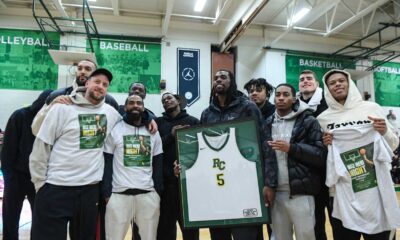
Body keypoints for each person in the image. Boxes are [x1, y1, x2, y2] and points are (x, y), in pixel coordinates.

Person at [29, 68, 121, 240]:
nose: (100, 86)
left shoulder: (111, 113)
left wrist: (149, 119)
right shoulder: (62, 108)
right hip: (55, 188)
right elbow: (41, 147)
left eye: (105, 84)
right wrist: (39, 184)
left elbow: (131, 123)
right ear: (86, 83)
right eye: (96, 81)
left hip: (89, 190)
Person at [317, 69, 400, 240]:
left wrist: (384, 131)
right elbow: (326, 156)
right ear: (327, 89)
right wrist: (326, 145)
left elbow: (393, 145)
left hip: (376, 190)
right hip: (344, 192)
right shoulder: (323, 119)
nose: (338, 84)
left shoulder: (371, 108)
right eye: (332, 83)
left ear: (349, 83)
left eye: (341, 80)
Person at [200, 69, 269, 240]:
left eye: (223, 77)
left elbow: (264, 144)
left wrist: (269, 182)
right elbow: (202, 150)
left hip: (245, 185)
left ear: (232, 82)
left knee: (247, 235)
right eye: (215, 78)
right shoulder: (207, 113)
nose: (218, 80)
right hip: (217, 185)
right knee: (219, 235)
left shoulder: (248, 107)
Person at [262, 83, 326, 240]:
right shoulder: (267, 123)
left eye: (285, 95)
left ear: (294, 98)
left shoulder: (309, 120)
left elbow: (320, 155)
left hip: (301, 192)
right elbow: (265, 159)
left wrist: (291, 148)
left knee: (306, 236)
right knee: (279, 236)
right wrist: (268, 184)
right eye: (278, 95)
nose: (281, 98)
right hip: (276, 193)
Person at [103, 94, 163, 240]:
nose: (135, 105)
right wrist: (106, 193)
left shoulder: (153, 132)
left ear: (143, 107)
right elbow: (107, 162)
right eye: (131, 103)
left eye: (139, 103)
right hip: (118, 195)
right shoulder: (115, 129)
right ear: (125, 107)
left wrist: (158, 192)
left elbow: (158, 162)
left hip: (147, 195)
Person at [1, 90, 52, 240]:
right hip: (16, 176)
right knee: (10, 217)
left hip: (38, 178)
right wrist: (9, 177)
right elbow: (8, 149)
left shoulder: (52, 120)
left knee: (39, 219)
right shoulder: (20, 116)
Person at [31, 59, 119, 136]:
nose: (82, 71)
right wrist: (51, 106)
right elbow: (38, 127)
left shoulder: (109, 101)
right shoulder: (57, 95)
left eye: (88, 69)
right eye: (79, 68)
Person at [155, 92, 200, 240]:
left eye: (169, 98)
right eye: (163, 100)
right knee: (165, 231)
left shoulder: (193, 121)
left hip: (189, 186)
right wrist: (171, 135)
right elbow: (152, 148)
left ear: (178, 101)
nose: (166, 101)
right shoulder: (158, 122)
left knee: (190, 231)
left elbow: (202, 149)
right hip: (166, 186)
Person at [297, 70, 330, 240]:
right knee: (315, 222)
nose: (305, 81)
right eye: (302, 80)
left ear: (317, 84)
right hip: (309, 171)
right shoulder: (294, 106)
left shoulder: (329, 102)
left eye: (309, 79)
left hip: (332, 169)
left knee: (338, 220)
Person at [243, 78, 275, 239]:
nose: (253, 93)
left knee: (273, 224)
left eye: (258, 90)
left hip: (272, 172)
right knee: (253, 223)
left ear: (267, 94)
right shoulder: (244, 112)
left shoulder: (277, 112)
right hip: (249, 174)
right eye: (250, 91)